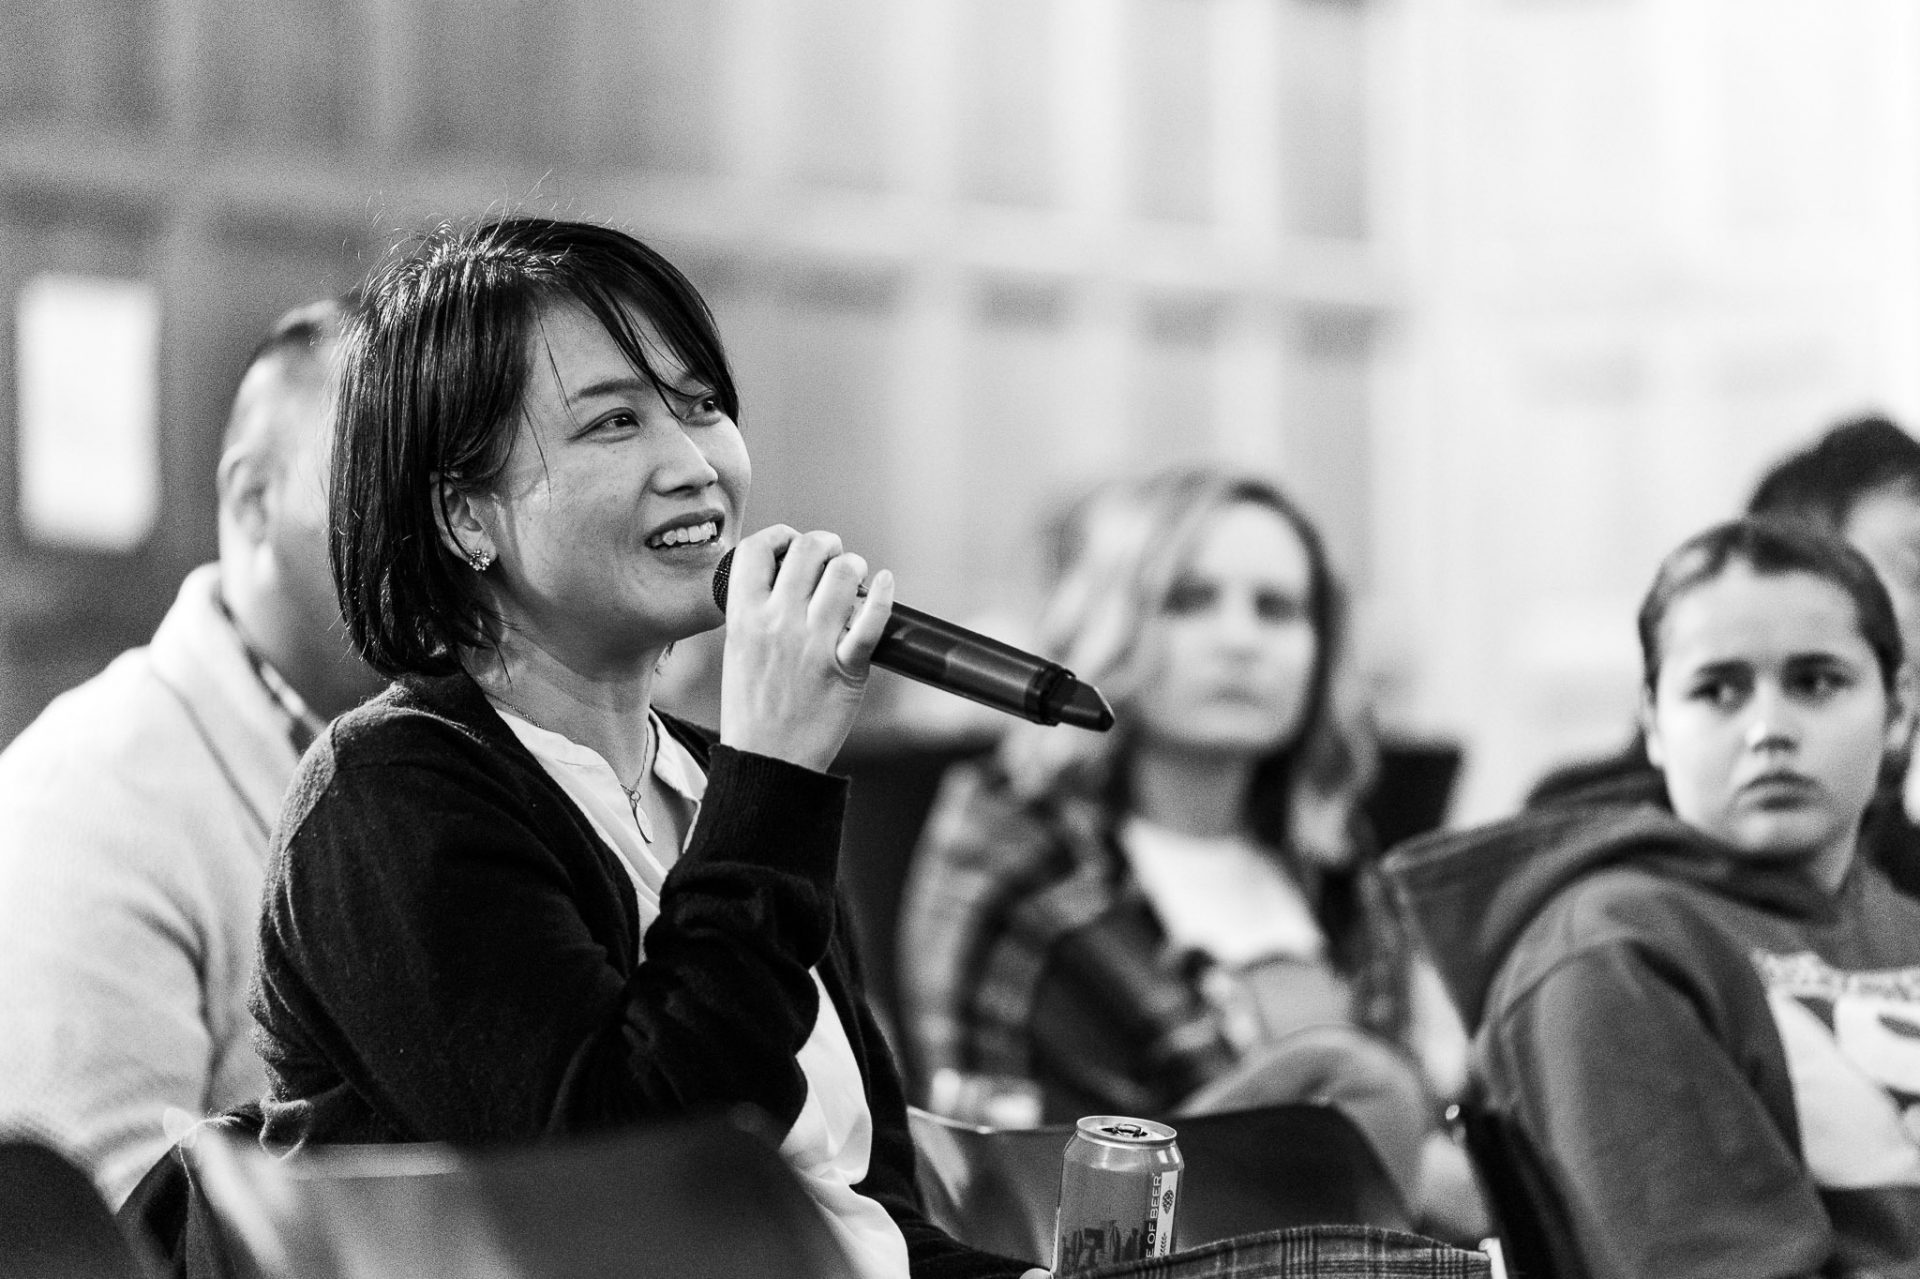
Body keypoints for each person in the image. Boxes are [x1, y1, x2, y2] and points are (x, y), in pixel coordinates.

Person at [244, 217, 1040, 1279]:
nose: (693, 463)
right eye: (614, 423)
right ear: (465, 514)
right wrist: (773, 785)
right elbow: (642, 1190)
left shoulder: (721, 781)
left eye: (702, 405)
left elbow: (871, 1219)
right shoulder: (389, 796)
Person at [896, 465, 1478, 1232]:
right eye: (1189, 600)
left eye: (1276, 609)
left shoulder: (1335, 864)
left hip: (1358, 1244)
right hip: (1100, 1243)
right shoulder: (1012, 853)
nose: (1240, 640)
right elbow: (997, 1175)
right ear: (1114, 621)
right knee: (1360, 1080)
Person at [1388, 517, 1920, 1278]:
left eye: (1815, 681)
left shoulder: (1904, 924)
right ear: (1655, 725)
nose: (1769, 728)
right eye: (1718, 690)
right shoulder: (1608, 950)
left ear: (1898, 708)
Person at [0, 298, 382, 1204]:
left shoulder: (462, 754)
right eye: (383, 491)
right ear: (255, 499)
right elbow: (94, 1237)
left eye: (455, 490)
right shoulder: (90, 798)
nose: (445, 541)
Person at [1531, 415, 1920, 898]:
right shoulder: (1584, 851)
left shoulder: (1896, 871)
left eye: (1816, 685)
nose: (1770, 730)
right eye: (1915, 568)